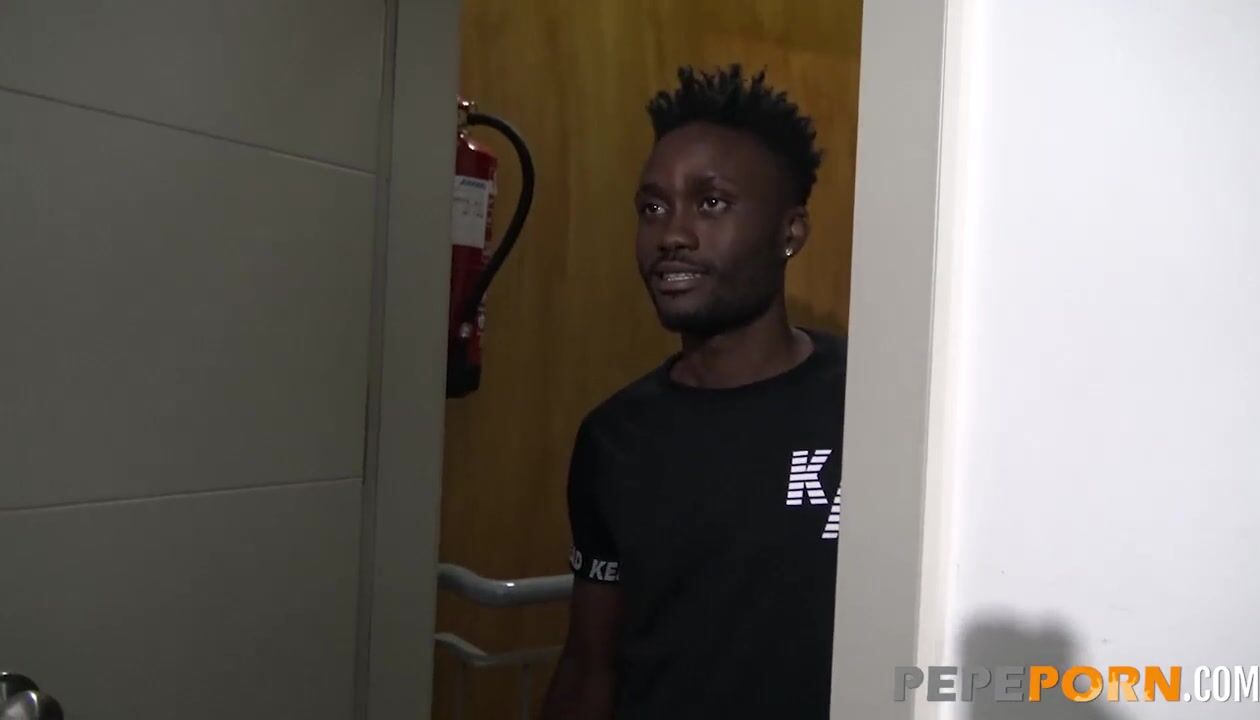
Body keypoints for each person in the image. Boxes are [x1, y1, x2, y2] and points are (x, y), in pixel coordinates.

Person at [541, 63, 847, 720]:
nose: (672, 235)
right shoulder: (615, 439)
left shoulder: (871, 402)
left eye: (711, 203)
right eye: (653, 208)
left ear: (790, 232)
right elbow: (590, 666)